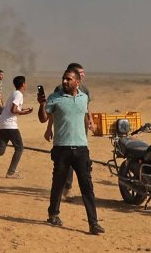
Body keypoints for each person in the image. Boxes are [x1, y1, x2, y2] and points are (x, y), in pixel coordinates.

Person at [38, 67, 103, 234]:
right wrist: (42, 104)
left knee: (86, 186)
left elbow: (86, 111)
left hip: (81, 149)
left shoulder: (84, 97)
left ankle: (93, 223)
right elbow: (43, 118)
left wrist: (91, 122)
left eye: (68, 79)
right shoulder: (55, 98)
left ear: (77, 82)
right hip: (61, 148)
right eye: (63, 78)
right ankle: (53, 214)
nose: (64, 81)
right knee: (58, 185)